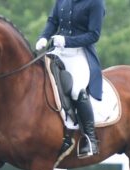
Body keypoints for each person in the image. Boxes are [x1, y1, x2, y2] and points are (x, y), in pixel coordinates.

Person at [35, 0, 106, 158]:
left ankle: (90, 138)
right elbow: (53, 20)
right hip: (58, 51)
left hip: (79, 53)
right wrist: (44, 37)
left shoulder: (96, 3)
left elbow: (94, 35)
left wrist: (68, 41)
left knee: (76, 90)